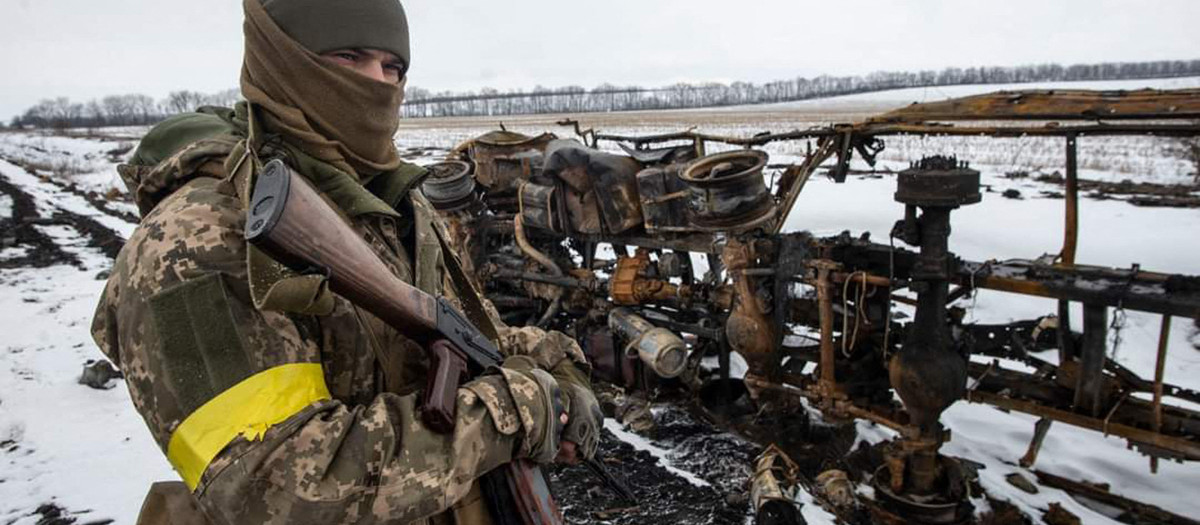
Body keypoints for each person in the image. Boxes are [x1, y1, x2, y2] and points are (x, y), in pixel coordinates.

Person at [90, 0, 600, 523]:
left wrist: (558, 368)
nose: (378, 83)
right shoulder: (194, 236)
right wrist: (514, 413)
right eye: (348, 57)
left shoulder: (393, 201)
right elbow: (281, 486)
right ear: (281, 61)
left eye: (393, 67)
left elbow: (473, 333)